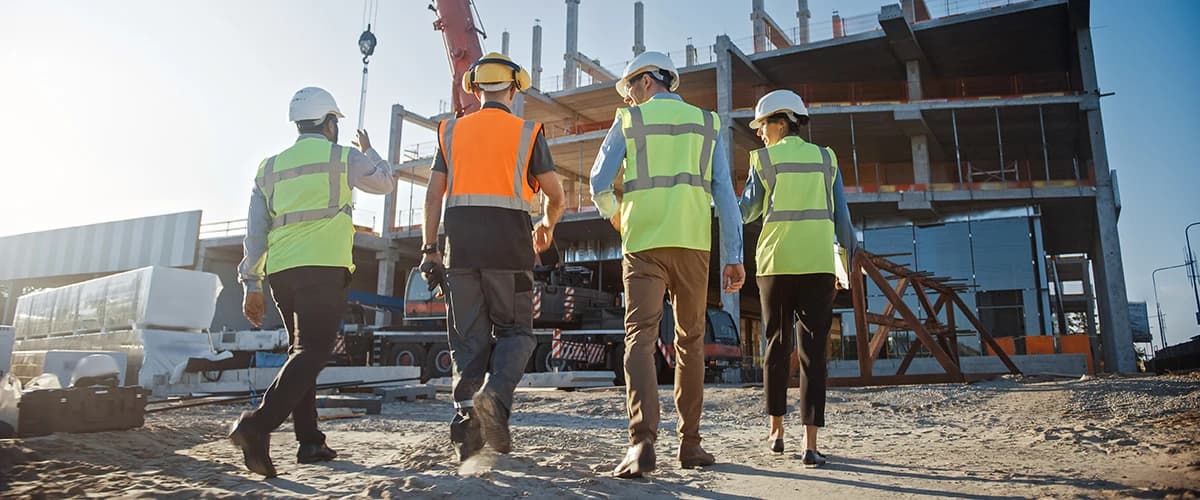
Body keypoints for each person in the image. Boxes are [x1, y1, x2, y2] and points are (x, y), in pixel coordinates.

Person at [590, 51, 745, 479]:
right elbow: (725, 197)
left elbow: (598, 182)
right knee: (690, 342)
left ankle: (641, 443)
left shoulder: (629, 121)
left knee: (639, 340)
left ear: (643, 81)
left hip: (643, 244)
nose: (630, 99)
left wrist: (617, 215)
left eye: (629, 90)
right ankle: (690, 445)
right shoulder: (707, 123)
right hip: (694, 244)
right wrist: (734, 256)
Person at [231, 86, 397, 478]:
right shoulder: (343, 158)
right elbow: (385, 183)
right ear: (330, 123)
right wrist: (370, 152)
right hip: (323, 269)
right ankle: (257, 426)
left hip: (282, 273)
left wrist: (250, 283)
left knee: (300, 354)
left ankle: (310, 442)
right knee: (315, 351)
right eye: (335, 121)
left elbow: (254, 233)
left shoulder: (269, 167)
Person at [421, 53, 566, 462]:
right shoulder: (527, 132)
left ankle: (467, 440)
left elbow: (433, 195)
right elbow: (557, 197)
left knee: (469, 342)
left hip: (461, 253)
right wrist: (547, 227)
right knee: (517, 334)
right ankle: (496, 397)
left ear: (475, 88)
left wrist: (430, 248)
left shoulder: (450, 131)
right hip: (510, 251)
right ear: (514, 88)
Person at [739, 89, 856, 467]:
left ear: (782, 121)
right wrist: (844, 266)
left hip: (775, 265)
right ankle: (810, 444)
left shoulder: (763, 161)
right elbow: (843, 222)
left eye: (762, 125)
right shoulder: (826, 159)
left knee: (775, 345)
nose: (759, 133)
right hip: (818, 265)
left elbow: (746, 212)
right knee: (813, 353)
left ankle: (775, 433)